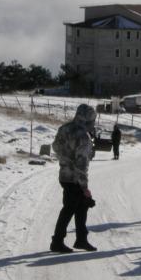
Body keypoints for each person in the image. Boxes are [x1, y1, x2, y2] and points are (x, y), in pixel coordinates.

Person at [50, 104, 98, 253]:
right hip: (75, 178)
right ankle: (57, 242)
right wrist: (84, 187)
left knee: (81, 207)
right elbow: (81, 163)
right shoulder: (83, 136)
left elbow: (55, 147)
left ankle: (81, 239)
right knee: (70, 208)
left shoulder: (64, 128)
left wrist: (65, 159)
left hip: (64, 175)